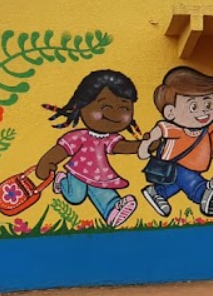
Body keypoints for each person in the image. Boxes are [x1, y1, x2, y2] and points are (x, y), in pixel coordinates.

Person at [35, 70, 144, 228]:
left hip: (100, 174)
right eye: (105, 106)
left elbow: (123, 147)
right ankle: (62, 181)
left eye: (124, 108)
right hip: (77, 172)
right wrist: (46, 163)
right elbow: (61, 151)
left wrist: (145, 145)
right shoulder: (79, 136)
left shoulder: (109, 138)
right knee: (76, 197)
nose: (115, 113)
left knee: (103, 190)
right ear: (82, 105)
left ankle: (112, 210)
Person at [139, 66, 213, 218]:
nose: (203, 112)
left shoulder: (210, 127)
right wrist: (144, 148)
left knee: (177, 183)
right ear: (171, 112)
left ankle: (157, 192)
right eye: (194, 106)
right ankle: (203, 194)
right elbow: (156, 133)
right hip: (173, 165)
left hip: (195, 166)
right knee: (188, 179)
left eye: (208, 104)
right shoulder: (174, 128)